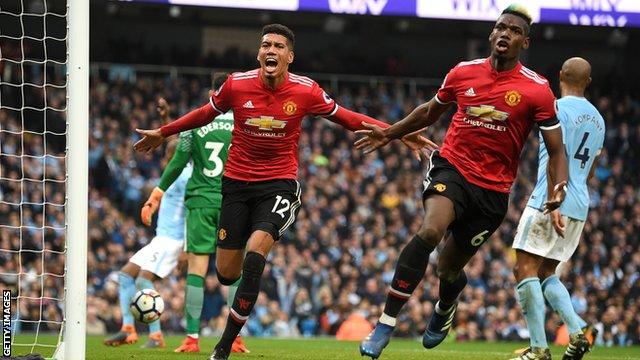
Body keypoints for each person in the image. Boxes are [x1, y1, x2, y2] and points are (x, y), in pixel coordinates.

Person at [133, 24, 435, 360]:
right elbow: (205, 113)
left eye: (278, 46)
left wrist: (397, 132)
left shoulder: (305, 90)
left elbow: (346, 117)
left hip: (279, 184)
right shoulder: (236, 84)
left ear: (289, 56)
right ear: (259, 53)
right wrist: (163, 132)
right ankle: (232, 318)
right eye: (265, 45)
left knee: (255, 254)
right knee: (226, 272)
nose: (270, 50)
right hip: (235, 186)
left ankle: (224, 345)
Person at [356, 5, 568, 360]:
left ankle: (445, 305)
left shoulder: (537, 90)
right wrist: (390, 134)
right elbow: (429, 111)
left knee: (449, 268)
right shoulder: (463, 72)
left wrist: (558, 187)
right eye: (500, 28)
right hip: (452, 168)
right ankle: (385, 324)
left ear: (525, 42)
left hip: (493, 192)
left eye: (514, 31)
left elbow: (556, 149)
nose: (505, 34)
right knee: (429, 231)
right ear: (490, 35)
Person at [143, 79, 249, 354]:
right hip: (233, 202)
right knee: (234, 271)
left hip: (201, 202)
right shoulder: (243, 123)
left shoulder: (197, 123)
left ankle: (192, 338)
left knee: (197, 271)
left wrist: (156, 194)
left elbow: (178, 162)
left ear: (213, 94)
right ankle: (235, 339)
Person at [510, 57, 605, 360]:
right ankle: (579, 333)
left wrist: (554, 199)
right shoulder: (599, 120)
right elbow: (591, 171)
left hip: (551, 198)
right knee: (548, 271)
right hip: (580, 203)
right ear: (588, 82)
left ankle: (539, 350)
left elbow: (556, 156)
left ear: (560, 75)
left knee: (524, 267)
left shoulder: (555, 108)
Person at [103, 101, 191, 349]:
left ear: (175, 157)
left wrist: (186, 247)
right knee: (125, 275)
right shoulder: (174, 173)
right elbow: (175, 140)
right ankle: (129, 329)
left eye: (167, 154)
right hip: (160, 238)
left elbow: (192, 211)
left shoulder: (185, 177)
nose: (164, 157)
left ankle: (155, 336)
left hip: (173, 240)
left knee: (143, 281)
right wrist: (166, 118)